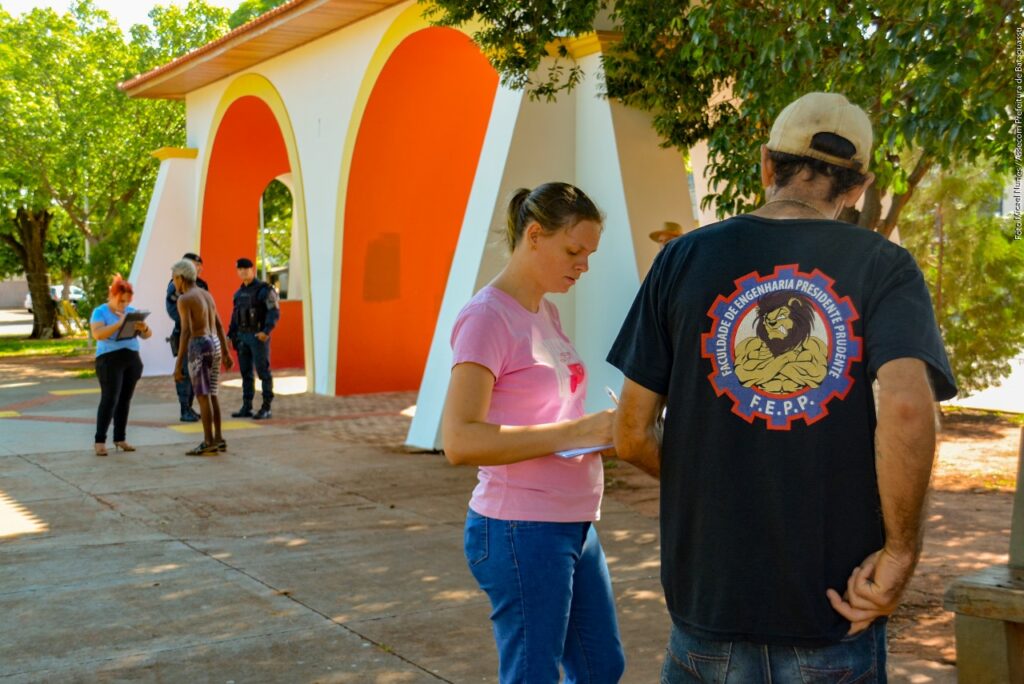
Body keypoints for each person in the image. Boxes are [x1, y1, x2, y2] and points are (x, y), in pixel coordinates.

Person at [607, 92, 957, 681]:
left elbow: (632, 433)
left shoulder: (682, 259)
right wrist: (901, 554)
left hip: (706, 612)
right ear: (859, 186)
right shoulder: (885, 266)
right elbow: (905, 405)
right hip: (832, 611)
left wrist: (714, 486)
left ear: (766, 164)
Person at [441, 182, 626, 683]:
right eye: (574, 250)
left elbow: (543, 413)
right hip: (521, 527)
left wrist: (603, 433)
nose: (583, 265)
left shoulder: (544, 310)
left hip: (572, 522)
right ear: (535, 235)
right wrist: (573, 433)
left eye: (588, 253)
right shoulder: (486, 317)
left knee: (601, 667)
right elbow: (459, 440)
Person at [172, 259, 234, 455]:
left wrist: (177, 364)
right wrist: (225, 351)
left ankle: (208, 442)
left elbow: (186, 331)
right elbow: (219, 324)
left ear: (181, 278)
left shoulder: (185, 299)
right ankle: (218, 438)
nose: (174, 283)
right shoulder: (206, 294)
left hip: (200, 345)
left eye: (174, 279)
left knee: (202, 396)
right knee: (212, 393)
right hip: (214, 342)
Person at [89, 275, 152, 456]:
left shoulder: (131, 312)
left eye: (127, 301)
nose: (124, 305)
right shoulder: (100, 312)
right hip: (109, 360)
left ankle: (120, 438)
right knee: (110, 399)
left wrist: (143, 328)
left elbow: (148, 335)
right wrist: (119, 323)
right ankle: (100, 441)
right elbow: (98, 334)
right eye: (121, 300)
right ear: (112, 294)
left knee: (125, 400)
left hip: (131, 358)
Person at [227, 257, 279, 420]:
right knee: (246, 373)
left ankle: (266, 407)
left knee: (263, 372)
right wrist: (230, 335)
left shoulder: (265, 290)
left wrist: (266, 331)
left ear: (252, 270)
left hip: (258, 336)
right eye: (239, 269)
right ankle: (247, 406)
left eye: (246, 269)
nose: (242, 272)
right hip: (242, 337)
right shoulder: (238, 293)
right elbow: (235, 316)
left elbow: (274, 311)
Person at [165, 252, 208, 422]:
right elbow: (172, 310)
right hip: (184, 333)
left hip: (201, 334)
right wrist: (190, 321)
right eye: (191, 264)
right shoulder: (175, 285)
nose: (195, 268)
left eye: (197, 265)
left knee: (197, 373)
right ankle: (185, 409)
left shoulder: (202, 285)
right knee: (184, 372)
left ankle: (190, 407)